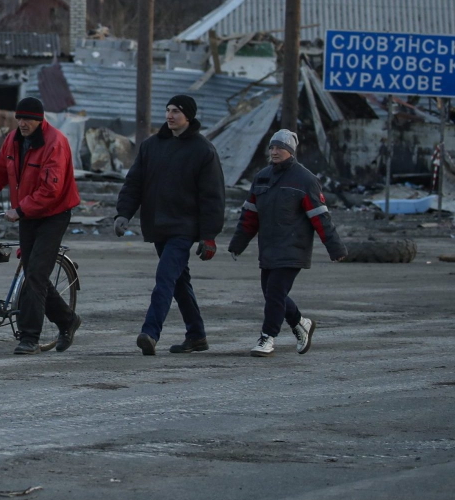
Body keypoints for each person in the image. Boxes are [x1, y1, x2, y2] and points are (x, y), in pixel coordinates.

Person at [0, 96, 82, 355]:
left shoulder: (55, 143)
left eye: (28, 119)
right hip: (27, 214)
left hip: (54, 214)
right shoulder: (12, 140)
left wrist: (20, 209)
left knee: (35, 274)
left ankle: (29, 338)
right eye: (19, 118)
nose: (22, 123)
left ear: (40, 120)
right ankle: (68, 320)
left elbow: (51, 190)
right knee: (34, 271)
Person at [114, 95, 225, 355]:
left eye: (176, 111)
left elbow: (213, 197)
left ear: (189, 116)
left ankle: (150, 333)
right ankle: (196, 335)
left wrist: (209, 236)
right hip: (158, 226)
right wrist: (123, 213)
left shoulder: (203, 150)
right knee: (178, 282)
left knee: (165, 278)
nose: (170, 115)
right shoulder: (152, 145)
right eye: (167, 110)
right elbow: (134, 183)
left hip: (184, 227)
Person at [228, 129, 347, 357]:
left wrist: (335, 248)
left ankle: (267, 338)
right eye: (272, 147)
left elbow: (320, 217)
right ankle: (300, 323)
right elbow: (250, 215)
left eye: (280, 148)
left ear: (291, 151)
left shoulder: (305, 180)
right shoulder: (262, 177)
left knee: (274, 293)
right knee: (273, 294)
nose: (274, 151)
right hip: (269, 247)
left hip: (294, 248)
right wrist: (238, 243)